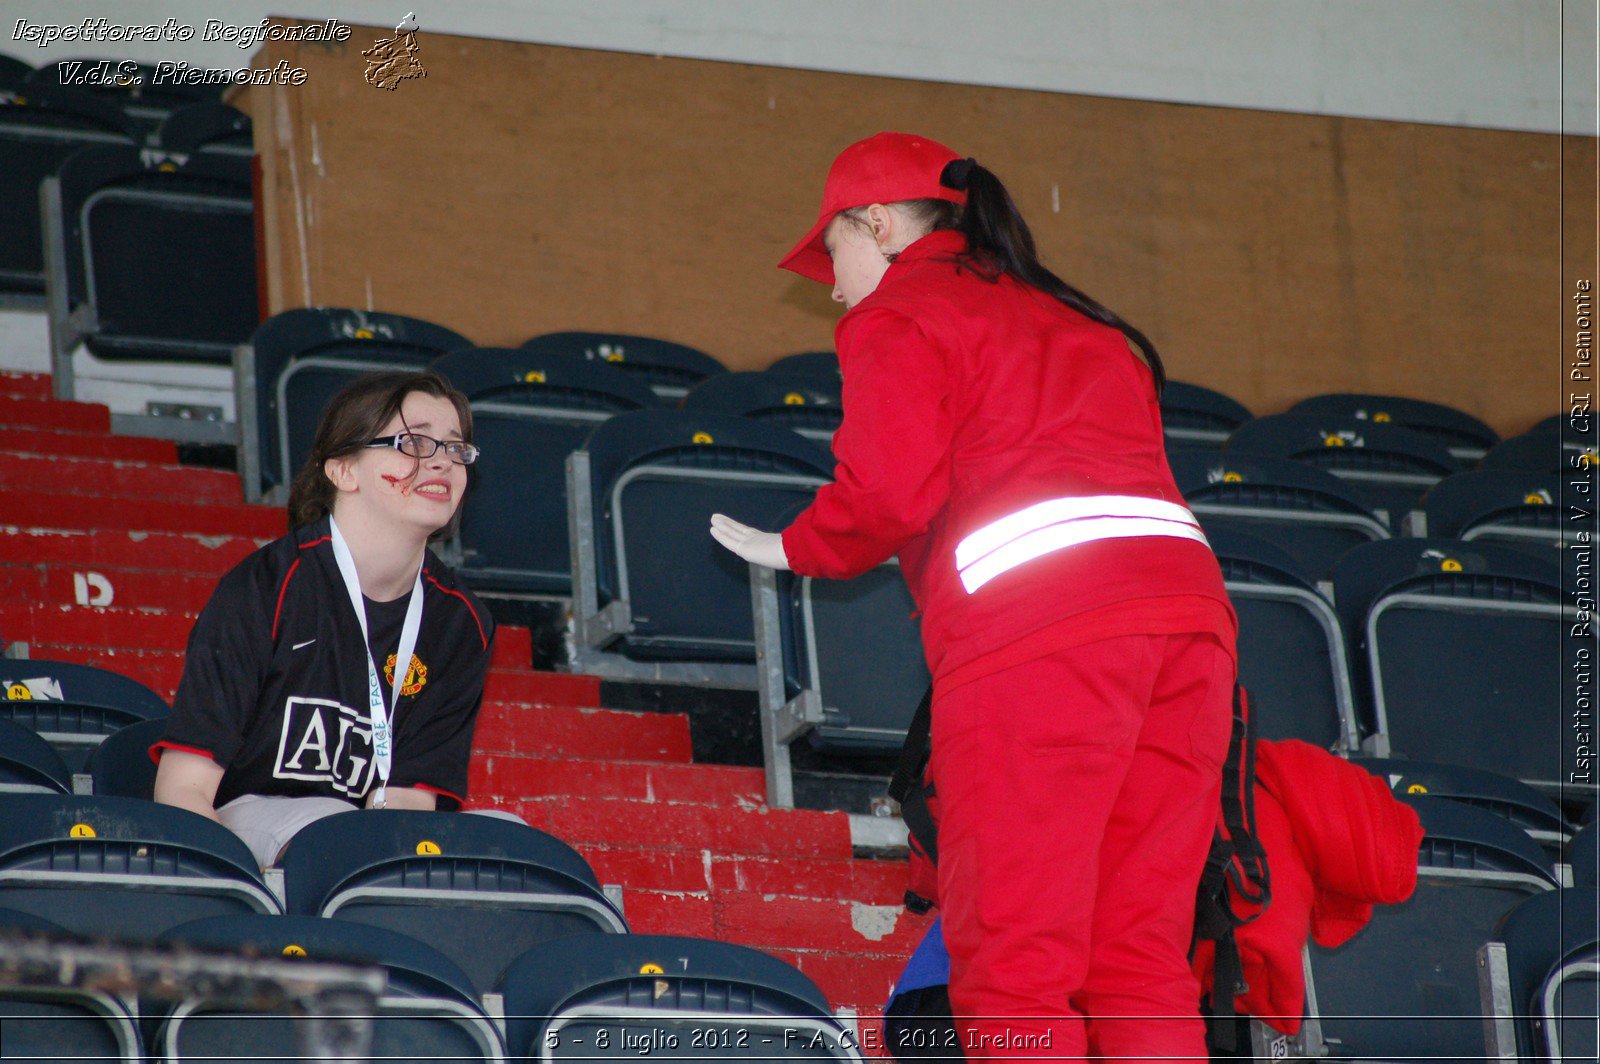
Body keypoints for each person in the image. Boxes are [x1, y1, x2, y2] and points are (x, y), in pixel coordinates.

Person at [711, 132, 1239, 1062]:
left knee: (1013, 960)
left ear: (877, 222)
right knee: (1139, 955)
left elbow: (886, 495)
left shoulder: (903, 313)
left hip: (1040, 647)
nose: (832, 287)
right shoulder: (1084, 321)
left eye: (832, 253)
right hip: (1193, 634)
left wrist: (799, 545)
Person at [152, 371, 496, 870]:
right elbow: (183, 789)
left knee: (511, 843)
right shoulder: (267, 586)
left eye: (456, 447)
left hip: (368, 836)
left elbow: (410, 805)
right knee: (330, 825)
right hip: (248, 822)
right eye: (415, 442)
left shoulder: (461, 622)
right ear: (343, 471)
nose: (442, 459)